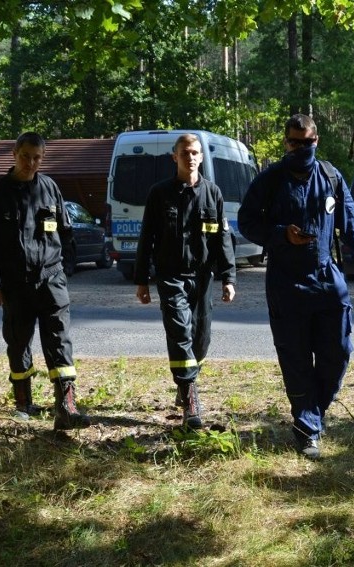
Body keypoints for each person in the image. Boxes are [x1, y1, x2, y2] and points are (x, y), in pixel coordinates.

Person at [238, 113, 354, 459]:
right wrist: (280, 234)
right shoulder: (270, 179)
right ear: (286, 143)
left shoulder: (330, 177)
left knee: (339, 352)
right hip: (286, 282)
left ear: (317, 140)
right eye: (295, 142)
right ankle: (307, 429)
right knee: (296, 358)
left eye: (308, 141)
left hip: (327, 278)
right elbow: (246, 222)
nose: (301, 148)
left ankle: (314, 412)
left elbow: (352, 222)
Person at [0, 131, 90, 430]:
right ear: (14, 153)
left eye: (37, 158)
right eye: (26, 156)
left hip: (51, 278)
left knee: (59, 339)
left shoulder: (50, 188)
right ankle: (23, 403)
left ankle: (66, 406)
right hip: (15, 283)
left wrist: (65, 270)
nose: (31, 163)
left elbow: (65, 232)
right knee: (18, 341)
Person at [134, 133, 237, 429]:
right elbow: (146, 239)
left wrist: (228, 278)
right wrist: (142, 280)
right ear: (174, 157)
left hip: (203, 277)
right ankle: (191, 399)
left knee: (200, 339)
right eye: (184, 153)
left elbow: (222, 239)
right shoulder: (159, 193)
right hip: (171, 276)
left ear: (201, 157)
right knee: (180, 332)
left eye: (194, 153)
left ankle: (184, 384)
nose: (190, 157)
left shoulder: (213, 193)